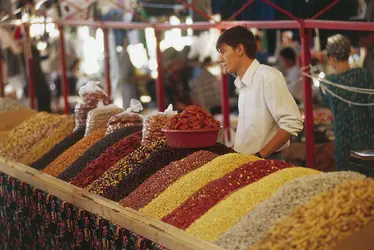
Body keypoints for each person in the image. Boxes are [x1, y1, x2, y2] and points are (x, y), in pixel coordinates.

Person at [216, 26, 303, 159]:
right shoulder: (243, 83)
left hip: (267, 160)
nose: (220, 59)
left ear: (240, 49)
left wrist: (260, 156)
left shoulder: (267, 76)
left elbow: (292, 122)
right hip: (248, 159)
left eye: (223, 51)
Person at [322, 34, 374, 170]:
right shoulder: (364, 75)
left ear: (332, 58)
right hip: (366, 139)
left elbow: (325, 101)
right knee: (367, 184)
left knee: (347, 184)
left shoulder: (329, 83)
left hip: (343, 142)